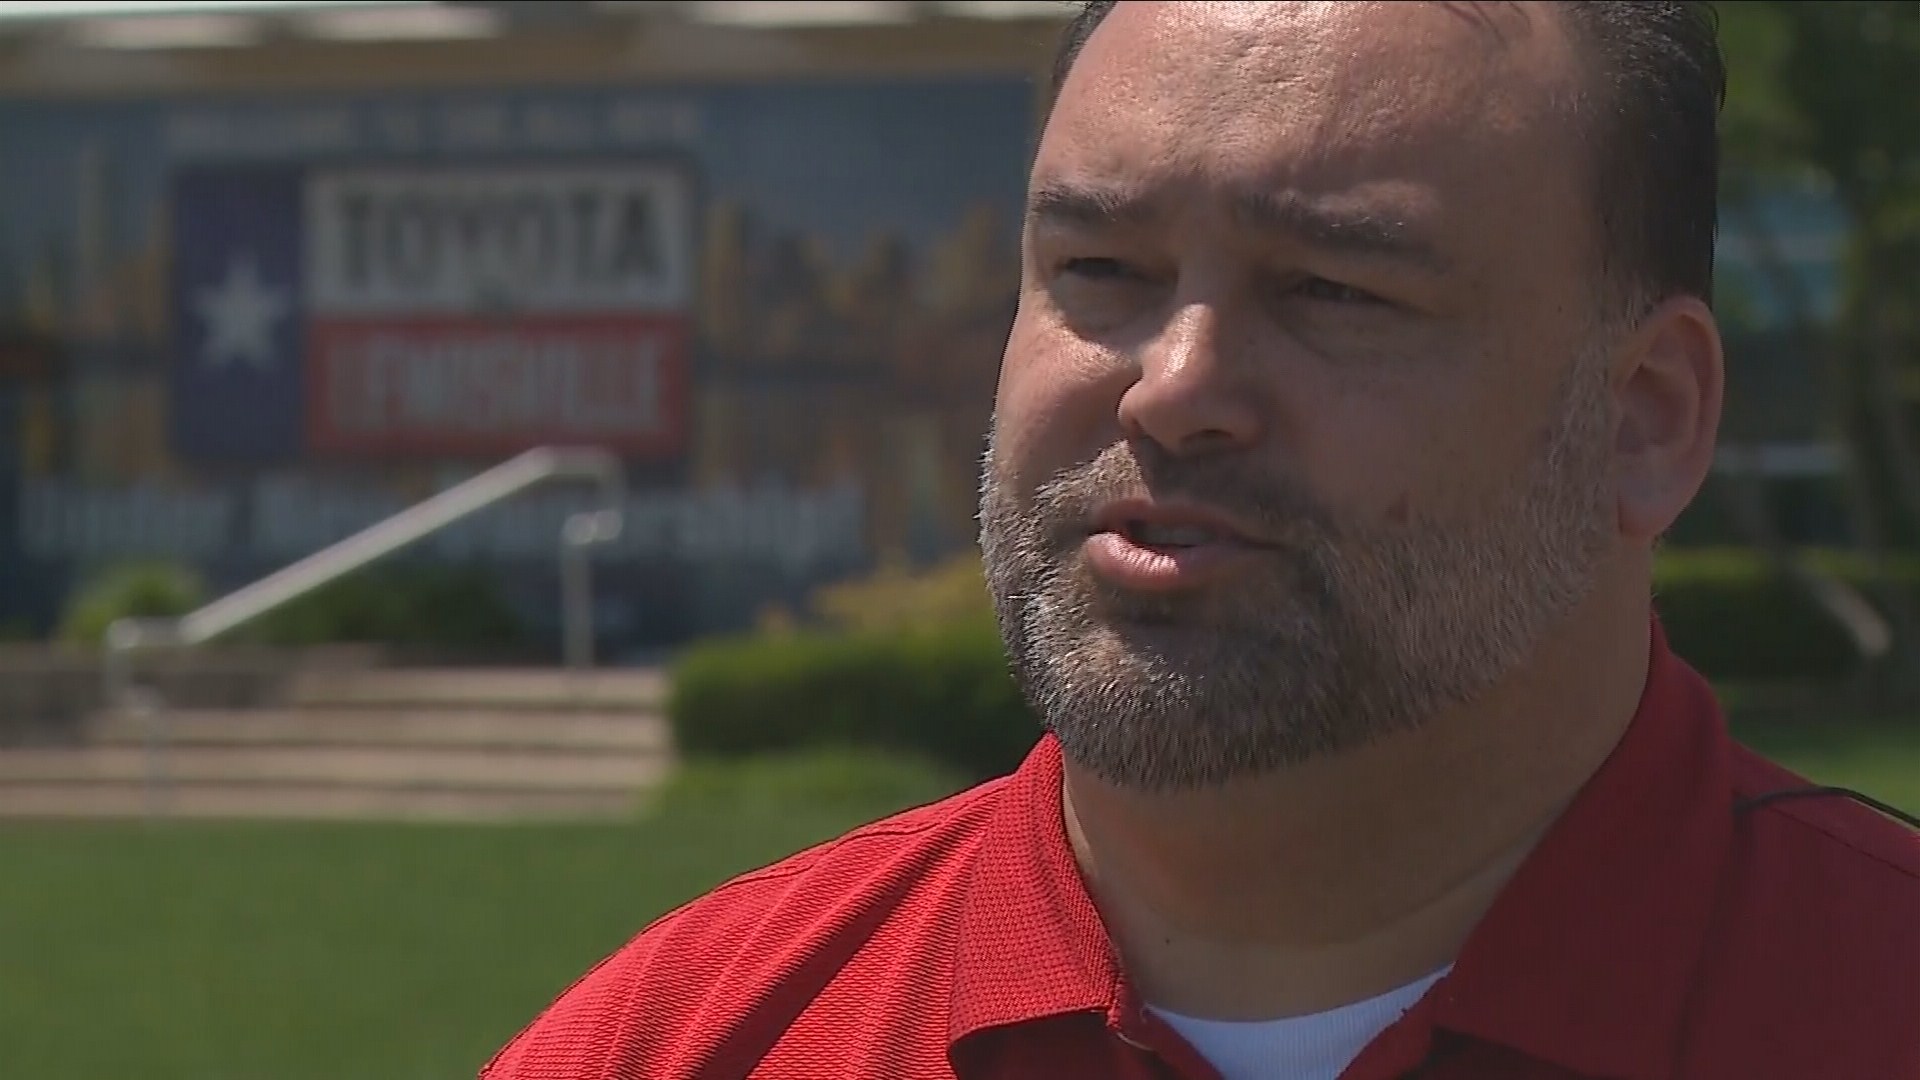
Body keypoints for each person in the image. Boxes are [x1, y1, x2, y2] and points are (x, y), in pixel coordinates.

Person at [481, 3, 1920, 1078]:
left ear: (1646, 418)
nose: (1172, 390)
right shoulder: (679, 1045)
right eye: (1100, 270)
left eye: (1334, 289)